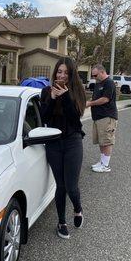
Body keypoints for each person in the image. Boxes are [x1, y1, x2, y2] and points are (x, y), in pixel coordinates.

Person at [40, 57, 87, 239]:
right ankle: (61, 222)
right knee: (60, 186)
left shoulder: (77, 92)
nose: (62, 75)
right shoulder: (46, 91)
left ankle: (77, 208)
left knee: (71, 186)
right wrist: (51, 99)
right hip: (53, 143)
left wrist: (65, 96)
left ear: (71, 75)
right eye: (59, 72)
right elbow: (44, 117)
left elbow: (76, 119)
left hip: (73, 141)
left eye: (66, 73)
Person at [86, 64, 118, 173]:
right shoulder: (98, 84)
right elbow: (96, 97)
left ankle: (105, 165)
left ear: (102, 72)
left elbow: (105, 99)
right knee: (101, 141)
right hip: (98, 117)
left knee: (106, 141)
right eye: (93, 75)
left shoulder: (109, 83)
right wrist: (90, 101)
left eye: (95, 75)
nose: (94, 77)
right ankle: (102, 162)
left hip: (106, 117)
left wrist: (90, 103)